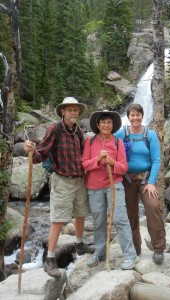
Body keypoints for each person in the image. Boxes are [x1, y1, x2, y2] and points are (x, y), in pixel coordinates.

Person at [24, 97, 94, 278]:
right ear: (62, 112)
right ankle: (50, 258)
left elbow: (85, 152)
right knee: (58, 219)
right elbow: (42, 153)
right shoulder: (54, 129)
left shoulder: (77, 130)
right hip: (62, 180)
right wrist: (31, 151)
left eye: (76, 111)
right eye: (70, 110)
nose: (73, 113)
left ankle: (79, 244)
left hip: (79, 179)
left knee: (80, 213)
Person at [82, 110, 139, 270]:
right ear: (98, 125)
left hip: (114, 185)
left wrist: (113, 162)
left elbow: (123, 167)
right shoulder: (90, 142)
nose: (106, 125)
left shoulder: (117, 143)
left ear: (113, 125)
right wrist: (98, 160)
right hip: (94, 187)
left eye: (109, 122)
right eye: (103, 122)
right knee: (99, 222)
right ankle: (99, 253)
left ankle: (130, 255)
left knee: (120, 219)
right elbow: (84, 164)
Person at [114, 103, 166, 264]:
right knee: (131, 215)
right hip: (126, 180)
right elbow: (109, 146)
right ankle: (135, 249)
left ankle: (158, 248)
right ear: (128, 117)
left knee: (153, 206)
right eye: (132, 115)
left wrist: (151, 182)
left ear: (142, 116)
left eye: (138, 115)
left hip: (145, 180)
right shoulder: (122, 135)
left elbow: (156, 160)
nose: (135, 118)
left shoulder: (149, 135)